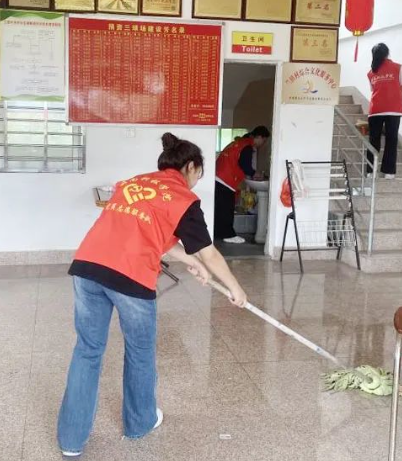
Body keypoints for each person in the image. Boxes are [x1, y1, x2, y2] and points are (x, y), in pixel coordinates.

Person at [57, 133, 248, 457]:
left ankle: (71, 441)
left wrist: (191, 262)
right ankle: (140, 423)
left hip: (88, 267)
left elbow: (152, 233)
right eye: (199, 174)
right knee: (139, 352)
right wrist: (235, 287)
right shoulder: (183, 198)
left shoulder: (134, 183)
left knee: (87, 351)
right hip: (130, 277)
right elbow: (209, 252)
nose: (196, 181)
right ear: (191, 167)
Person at [214, 126, 271, 244]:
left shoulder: (239, 143)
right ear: (259, 137)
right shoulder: (247, 147)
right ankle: (228, 235)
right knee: (226, 209)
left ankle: (218, 233)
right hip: (226, 178)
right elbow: (245, 165)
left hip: (218, 176)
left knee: (220, 208)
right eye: (264, 140)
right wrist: (255, 174)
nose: (263, 144)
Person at [366, 43, 402, 180]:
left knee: (373, 140)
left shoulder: (371, 72)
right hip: (394, 110)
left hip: (375, 110)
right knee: (391, 139)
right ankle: (389, 172)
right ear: (387, 53)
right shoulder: (398, 67)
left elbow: (373, 90)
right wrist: (393, 96)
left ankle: (370, 171)